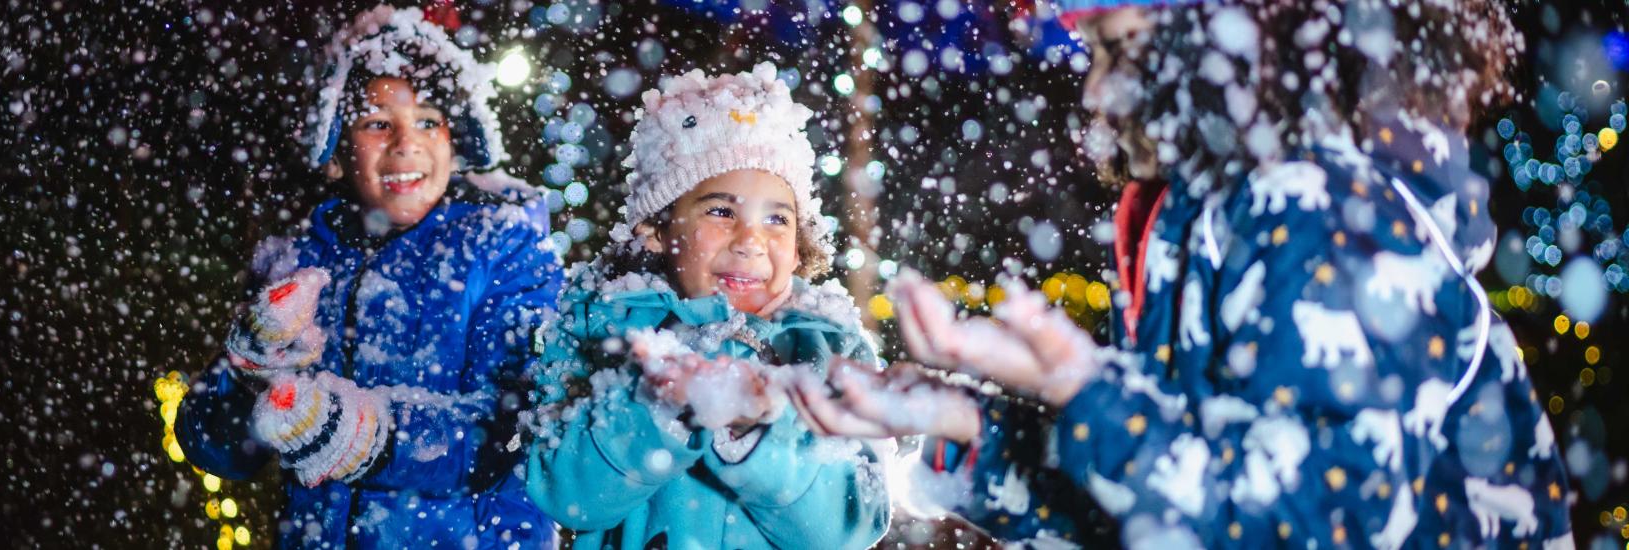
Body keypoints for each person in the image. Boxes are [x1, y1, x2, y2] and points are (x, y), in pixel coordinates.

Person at [794, 0, 1577, 548]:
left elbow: (1304, 530)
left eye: (1121, 50)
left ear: (1224, 45)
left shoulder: (1320, 213)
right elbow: (1170, 504)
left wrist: (1085, 392)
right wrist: (967, 426)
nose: (1094, 92)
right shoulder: (1203, 215)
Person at [173, 6, 561, 548]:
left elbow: (518, 424)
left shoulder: (504, 247)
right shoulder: (296, 264)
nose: (407, 142)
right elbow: (220, 452)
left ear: (456, 139)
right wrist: (246, 376)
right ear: (335, 153)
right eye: (377, 123)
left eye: (429, 120)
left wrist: (370, 435)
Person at [521, 63, 896, 549]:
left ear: (800, 247)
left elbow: (850, 524)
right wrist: (663, 408)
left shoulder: (831, 347)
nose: (750, 241)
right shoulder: (598, 325)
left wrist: (756, 435)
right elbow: (566, 494)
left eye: (777, 220)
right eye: (721, 211)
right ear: (657, 229)